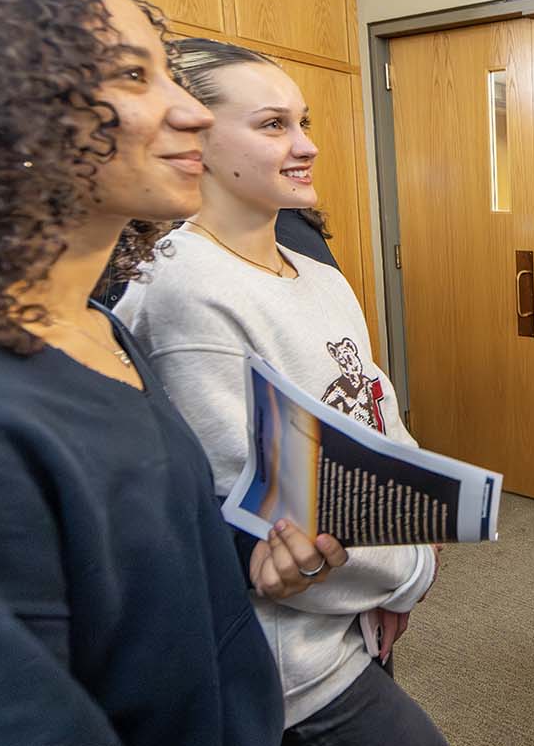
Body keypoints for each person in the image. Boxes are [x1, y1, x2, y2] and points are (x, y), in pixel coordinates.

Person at [0, 0, 347, 746]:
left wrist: (257, 551)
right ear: (7, 105)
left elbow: (156, 542)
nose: (195, 114)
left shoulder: (96, 328)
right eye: (133, 75)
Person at [114, 38, 447, 745]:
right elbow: (267, 521)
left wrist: (408, 558)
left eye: (304, 122)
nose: (305, 146)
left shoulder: (317, 274)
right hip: (290, 673)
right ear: (194, 137)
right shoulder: (183, 289)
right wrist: (408, 574)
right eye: (272, 126)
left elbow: (380, 421)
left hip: (356, 616)